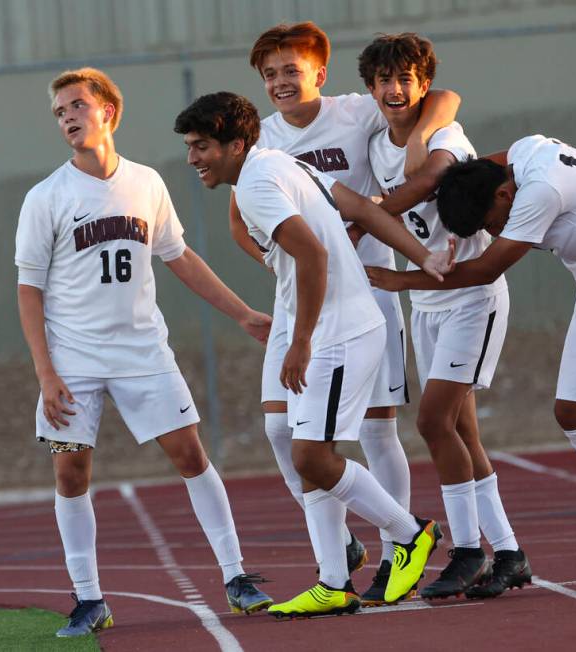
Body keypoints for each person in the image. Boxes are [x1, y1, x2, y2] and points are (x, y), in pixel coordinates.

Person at [367, 135, 576, 591]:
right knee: (573, 413)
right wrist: (396, 204)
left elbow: (486, 269)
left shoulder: (538, 194)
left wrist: (398, 279)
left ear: (505, 196)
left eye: (491, 220)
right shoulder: (521, 157)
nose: (494, 228)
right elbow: (465, 172)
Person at [15, 68, 275, 637]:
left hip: (143, 354)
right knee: (70, 472)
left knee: (190, 456)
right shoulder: (46, 198)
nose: (68, 118)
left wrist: (242, 313)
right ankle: (89, 599)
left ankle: (236, 577)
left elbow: (180, 258)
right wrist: (46, 372)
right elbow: (28, 290)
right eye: (59, 112)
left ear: (109, 111)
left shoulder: (146, 183)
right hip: (73, 361)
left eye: (77, 105)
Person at [175, 91, 454, 617]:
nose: (193, 158)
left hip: (339, 332)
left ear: (235, 145)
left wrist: (300, 340)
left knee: (312, 456)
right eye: (190, 147)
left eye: (202, 147)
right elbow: (359, 210)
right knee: (301, 449)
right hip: (333, 327)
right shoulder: (277, 163)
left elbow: (314, 251)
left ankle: (409, 533)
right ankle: (332, 581)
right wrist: (423, 257)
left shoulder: (259, 180)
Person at [229, 21, 462, 595]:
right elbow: (239, 222)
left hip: (368, 293)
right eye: (270, 74)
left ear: (319, 74)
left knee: (377, 434)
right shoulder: (259, 139)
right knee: (281, 430)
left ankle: (394, 554)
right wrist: (273, 256)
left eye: (292, 70)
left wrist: (418, 136)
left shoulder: (356, 111)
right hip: (302, 299)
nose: (281, 82)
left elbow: (444, 97)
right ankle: (346, 542)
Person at [359, 33, 530, 601]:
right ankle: (507, 551)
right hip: (429, 301)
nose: (394, 88)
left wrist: (366, 218)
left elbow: (431, 178)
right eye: (384, 79)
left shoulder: (444, 133)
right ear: (370, 87)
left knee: (432, 422)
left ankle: (466, 551)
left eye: (405, 78)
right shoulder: (375, 139)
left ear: (422, 84)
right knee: (460, 431)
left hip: (470, 297)